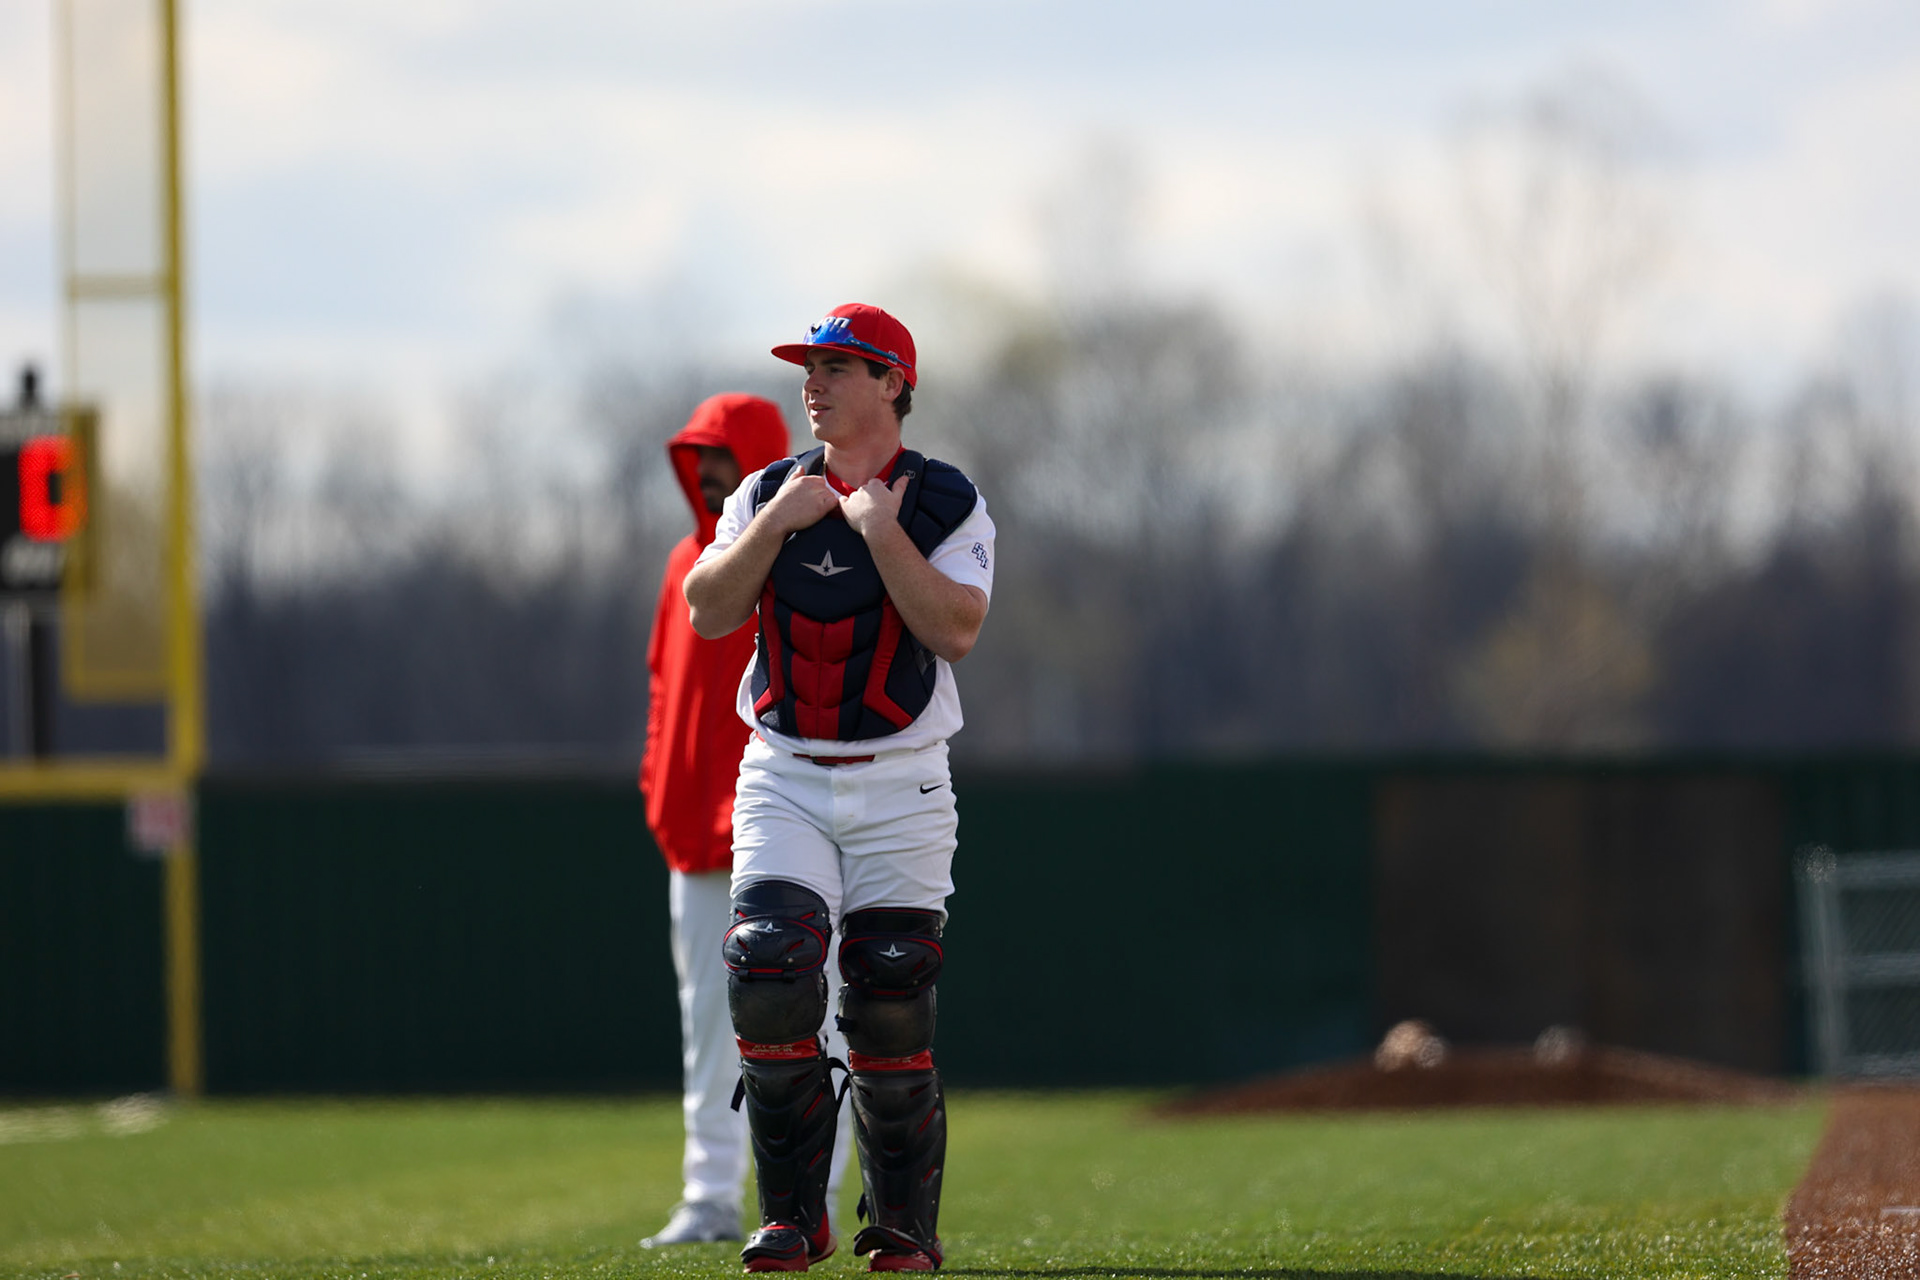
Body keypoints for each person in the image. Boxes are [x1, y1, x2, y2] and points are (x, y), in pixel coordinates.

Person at [683, 304, 995, 1274]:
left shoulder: (946, 500)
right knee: (770, 970)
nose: (812, 383)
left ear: (893, 382)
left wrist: (877, 530)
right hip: (784, 771)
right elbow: (708, 608)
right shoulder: (769, 490)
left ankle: (903, 1226)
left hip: (902, 777)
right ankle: (793, 1217)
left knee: (890, 990)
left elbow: (958, 629)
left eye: (838, 367)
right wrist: (777, 521)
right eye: (808, 367)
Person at [638, 392, 853, 1248]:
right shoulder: (687, 565)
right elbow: (664, 687)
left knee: (818, 1015)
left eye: (719, 458)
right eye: (697, 460)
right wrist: (660, 786)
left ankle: (821, 1197)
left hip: (785, 823)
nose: (707, 473)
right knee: (706, 1027)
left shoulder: (804, 560)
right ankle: (708, 1197)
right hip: (690, 834)